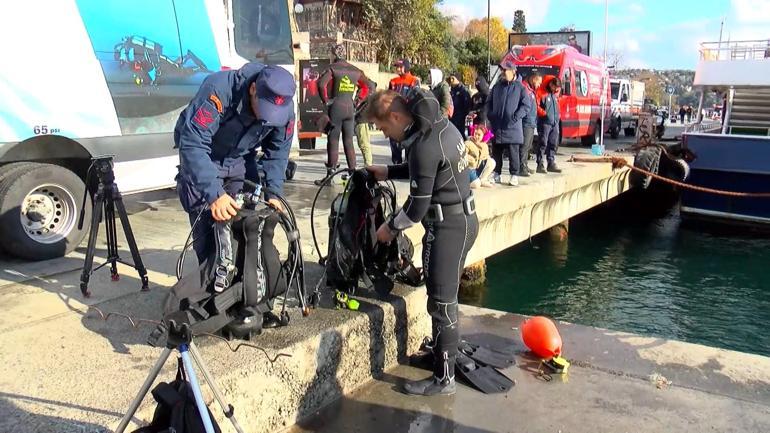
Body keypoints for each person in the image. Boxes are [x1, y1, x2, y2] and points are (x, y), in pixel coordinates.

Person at [364, 88, 478, 396]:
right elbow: (428, 172)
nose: (386, 134)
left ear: (397, 117)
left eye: (383, 128)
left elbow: (415, 208)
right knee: (444, 299)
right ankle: (444, 354)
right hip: (462, 220)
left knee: (441, 303)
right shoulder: (440, 127)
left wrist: (389, 228)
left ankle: (444, 379)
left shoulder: (424, 145)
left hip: (449, 228)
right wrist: (388, 170)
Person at [174, 62, 295, 265]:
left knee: (243, 228)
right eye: (263, 109)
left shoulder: (285, 109)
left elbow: (277, 153)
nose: (265, 117)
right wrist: (214, 194)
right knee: (207, 236)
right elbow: (193, 144)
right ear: (253, 88)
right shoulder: (218, 91)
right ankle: (211, 282)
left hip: (240, 159)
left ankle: (238, 283)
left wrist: (274, 193)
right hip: (206, 158)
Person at [314, 44, 372, 185]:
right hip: (350, 108)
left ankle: (330, 176)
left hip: (336, 106)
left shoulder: (333, 68)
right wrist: (358, 100)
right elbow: (368, 85)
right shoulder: (355, 70)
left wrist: (326, 100)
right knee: (348, 141)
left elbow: (321, 84)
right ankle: (353, 175)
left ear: (334, 54)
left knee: (333, 140)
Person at [487, 58, 531, 186]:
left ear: (513, 71)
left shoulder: (520, 88)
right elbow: (489, 102)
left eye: (505, 70)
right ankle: (497, 174)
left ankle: (514, 175)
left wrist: (515, 117)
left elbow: (526, 106)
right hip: (497, 126)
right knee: (497, 151)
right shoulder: (497, 87)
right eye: (502, 70)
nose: (503, 72)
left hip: (512, 127)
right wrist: (491, 114)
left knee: (513, 152)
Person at [388, 59, 421, 164]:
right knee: (393, 141)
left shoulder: (414, 81)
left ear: (406, 67)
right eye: (396, 66)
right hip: (394, 116)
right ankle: (396, 163)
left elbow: (416, 98)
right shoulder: (393, 81)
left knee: (408, 142)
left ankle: (408, 165)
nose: (397, 69)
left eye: (400, 67)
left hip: (407, 116)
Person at [535, 75, 562, 173]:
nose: (555, 89)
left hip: (554, 122)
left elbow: (557, 105)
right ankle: (540, 163)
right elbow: (536, 106)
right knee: (543, 142)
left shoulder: (554, 94)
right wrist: (544, 113)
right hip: (545, 122)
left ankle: (551, 162)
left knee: (553, 143)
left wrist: (558, 116)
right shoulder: (542, 93)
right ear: (551, 84)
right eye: (554, 87)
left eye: (557, 88)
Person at [521, 72, 542, 176]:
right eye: (539, 82)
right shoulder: (525, 89)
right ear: (534, 79)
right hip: (526, 122)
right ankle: (522, 167)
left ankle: (525, 164)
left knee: (528, 145)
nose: (539, 85)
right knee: (524, 146)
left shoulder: (531, 90)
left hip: (531, 122)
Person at [354, 79, 377, 167]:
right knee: (363, 143)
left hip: (362, 119)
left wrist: (356, 112)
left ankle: (368, 165)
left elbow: (360, 104)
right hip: (363, 118)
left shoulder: (365, 89)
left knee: (364, 143)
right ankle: (367, 164)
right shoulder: (367, 88)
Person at [465, 124, 496, 188]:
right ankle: (465, 183)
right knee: (476, 185)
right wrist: (471, 159)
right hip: (469, 169)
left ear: (483, 136)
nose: (476, 136)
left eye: (479, 135)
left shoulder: (484, 145)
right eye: (475, 133)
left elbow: (486, 158)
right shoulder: (468, 143)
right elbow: (462, 155)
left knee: (492, 162)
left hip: (477, 168)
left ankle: (483, 180)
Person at [448, 74, 472, 139]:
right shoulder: (451, 91)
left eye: (453, 78)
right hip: (452, 118)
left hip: (460, 119)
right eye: (450, 78)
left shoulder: (463, 90)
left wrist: (462, 116)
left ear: (458, 79)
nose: (451, 80)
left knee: (460, 136)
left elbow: (467, 105)